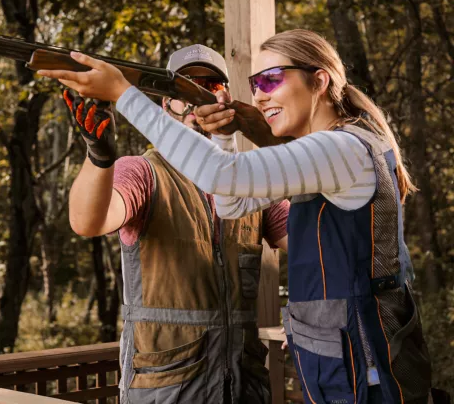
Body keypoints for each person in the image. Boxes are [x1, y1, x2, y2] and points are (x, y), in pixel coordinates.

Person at [39, 29, 436, 404]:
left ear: (318, 81)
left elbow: (220, 177)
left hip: (361, 363)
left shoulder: (338, 149)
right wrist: (225, 135)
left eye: (272, 80)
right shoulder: (147, 171)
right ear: (165, 102)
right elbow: (228, 198)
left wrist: (124, 95)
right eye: (256, 84)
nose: (261, 97)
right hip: (209, 378)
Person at [60, 44, 289, 404]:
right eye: (183, 90)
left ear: (225, 99)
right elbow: (87, 221)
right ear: (167, 105)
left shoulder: (251, 179)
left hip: (244, 386)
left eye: (209, 88)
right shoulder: (142, 172)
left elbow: (313, 242)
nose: (196, 102)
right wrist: (100, 157)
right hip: (167, 390)